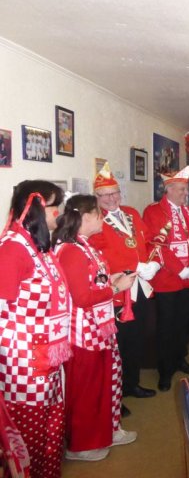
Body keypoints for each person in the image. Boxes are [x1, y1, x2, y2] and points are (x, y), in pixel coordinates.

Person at [54, 195, 138, 462]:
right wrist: (115, 288)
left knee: (107, 382)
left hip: (100, 327)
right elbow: (81, 298)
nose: (103, 219)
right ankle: (81, 445)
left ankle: (107, 431)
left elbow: (92, 282)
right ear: (86, 217)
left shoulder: (84, 246)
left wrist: (111, 280)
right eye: (99, 214)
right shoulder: (71, 250)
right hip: (83, 333)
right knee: (87, 389)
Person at [0, 180, 69, 476]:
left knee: (50, 428)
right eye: (56, 207)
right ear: (38, 209)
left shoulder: (38, 247)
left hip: (46, 354)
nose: (60, 213)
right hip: (23, 363)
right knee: (28, 435)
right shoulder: (12, 249)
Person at [89, 162, 159, 405]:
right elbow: (97, 258)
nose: (111, 199)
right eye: (104, 195)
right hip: (119, 291)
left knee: (138, 338)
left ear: (120, 193)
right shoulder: (95, 221)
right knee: (119, 344)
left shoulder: (132, 213)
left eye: (114, 193)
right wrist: (131, 266)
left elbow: (149, 242)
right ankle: (116, 397)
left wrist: (154, 262)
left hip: (141, 287)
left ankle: (132, 384)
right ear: (96, 197)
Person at [143, 166, 189, 392]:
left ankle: (180, 359)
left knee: (182, 324)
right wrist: (179, 269)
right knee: (166, 326)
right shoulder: (153, 211)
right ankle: (165, 369)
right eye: (181, 189)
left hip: (188, 279)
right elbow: (156, 244)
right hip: (167, 280)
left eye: (186, 189)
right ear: (168, 189)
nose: (186, 193)